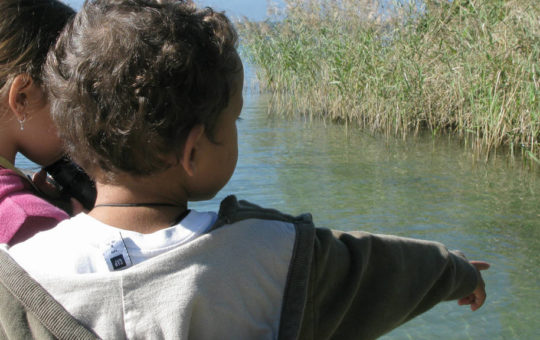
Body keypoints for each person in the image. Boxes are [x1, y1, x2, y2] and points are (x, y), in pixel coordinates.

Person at [1, 0, 489, 339]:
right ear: (193, 154)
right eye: (233, 121)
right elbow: (378, 271)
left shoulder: (17, 276)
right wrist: (455, 271)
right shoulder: (276, 257)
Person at [0, 0, 77, 245]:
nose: (85, 124)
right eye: (73, 104)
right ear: (22, 97)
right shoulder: (31, 222)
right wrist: (78, 230)